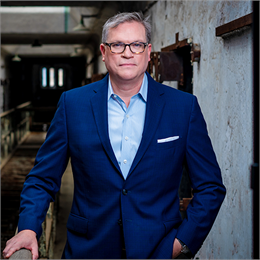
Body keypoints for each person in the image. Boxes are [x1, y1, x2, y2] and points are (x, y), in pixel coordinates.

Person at [3, 12, 226, 259]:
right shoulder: (72, 104)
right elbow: (42, 178)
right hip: (88, 250)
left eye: (137, 45)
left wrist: (181, 243)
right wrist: (27, 228)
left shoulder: (183, 107)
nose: (128, 53)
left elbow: (210, 187)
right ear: (103, 51)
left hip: (157, 250)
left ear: (148, 51)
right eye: (118, 44)